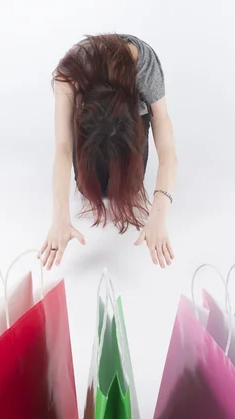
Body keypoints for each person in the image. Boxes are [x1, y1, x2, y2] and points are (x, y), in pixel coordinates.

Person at [40, 33, 178, 270]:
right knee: (87, 186)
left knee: (130, 186)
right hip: (91, 119)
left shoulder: (145, 69)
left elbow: (167, 148)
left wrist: (159, 214)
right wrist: (60, 216)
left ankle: (126, 146)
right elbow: (63, 147)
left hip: (131, 117)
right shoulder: (69, 74)